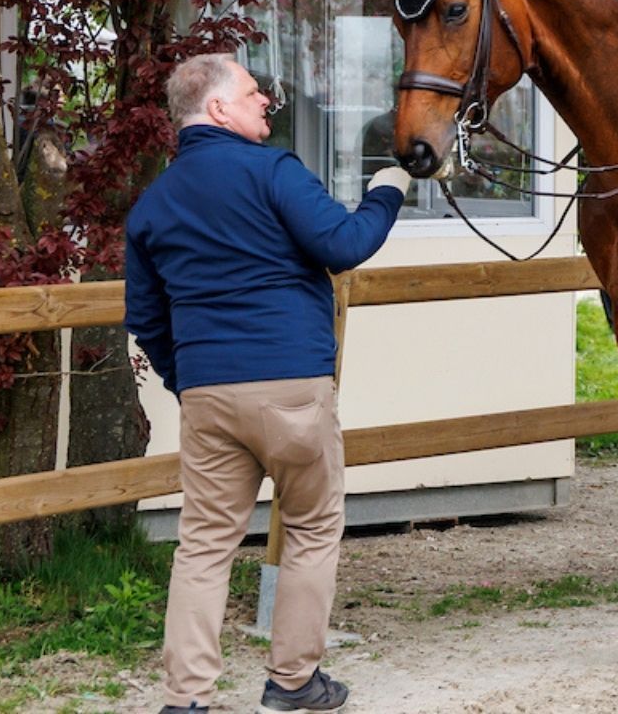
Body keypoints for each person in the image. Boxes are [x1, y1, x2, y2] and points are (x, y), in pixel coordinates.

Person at [126, 54, 412, 714]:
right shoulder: (272, 170)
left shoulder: (153, 204)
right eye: (255, 94)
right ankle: (292, 682)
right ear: (219, 109)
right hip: (290, 385)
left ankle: (185, 699)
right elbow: (343, 244)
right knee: (312, 527)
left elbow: (144, 316)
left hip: (206, 393)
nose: (267, 104)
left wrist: (188, 379)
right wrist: (388, 188)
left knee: (202, 547)